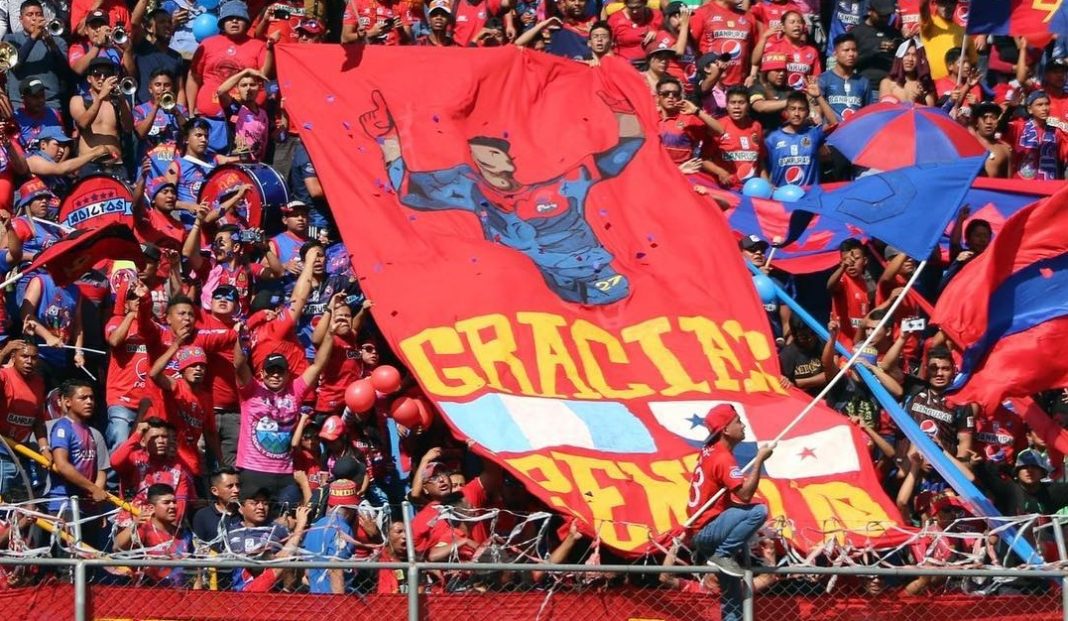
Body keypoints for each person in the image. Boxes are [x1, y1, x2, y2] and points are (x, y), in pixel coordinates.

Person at [363, 88, 643, 306]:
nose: (478, 154)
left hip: (595, 278)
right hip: (528, 292)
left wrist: (623, 111)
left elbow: (624, 152)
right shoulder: (472, 189)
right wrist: (386, 136)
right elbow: (409, 190)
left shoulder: (567, 184)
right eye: (474, 152)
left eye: (492, 151)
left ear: (509, 160)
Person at [232, 314, 334, 497]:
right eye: (271, 371)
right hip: (253, 470)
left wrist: (330, 334)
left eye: (280, 372)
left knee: (290, 514)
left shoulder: (295, 390)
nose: (275, 375)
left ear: (288, 375)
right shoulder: (251, 390)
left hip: (285, 473)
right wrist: (241, 340)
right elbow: (239, 365)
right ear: (262, 373)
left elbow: (318, 365)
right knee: (253, 515)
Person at [687, 404, 772, 621]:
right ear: (725, 429)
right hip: (708, 530)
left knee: (733, 594)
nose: (743, 426)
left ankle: (723, 558)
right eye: (738, 421)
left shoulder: (709, 450)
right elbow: (745, 495)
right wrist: (759, 460)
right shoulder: (722, 457)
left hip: (705, 530)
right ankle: (723, 554)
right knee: (759, 509)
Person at [188, 1, 272, 155]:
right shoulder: (207, 44)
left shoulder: (258, 46)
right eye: (229, 18)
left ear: (246, 22)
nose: (234, 21)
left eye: (239, 18)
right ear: (222, 22)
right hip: (209, 120)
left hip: (245, 123)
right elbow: (194, 78)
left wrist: (270, 47)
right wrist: (191, 112)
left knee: (241, 164)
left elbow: (263, 76)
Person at [148, 342, 222, 478]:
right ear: (183, 369)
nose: (198, 369)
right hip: (168, 457)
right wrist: (175, 345)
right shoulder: (174, 386)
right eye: (193, 365)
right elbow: (154, 374)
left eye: (202, 366)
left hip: (190, 461)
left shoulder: (206, 398)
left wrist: (221, 461)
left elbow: (210, 433)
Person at [302, 478, 380, 594]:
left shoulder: (316, 526)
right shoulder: (343, 529)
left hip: (314, 597)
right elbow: (335, 570)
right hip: (333, 599)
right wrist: (339, 603)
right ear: (353, 507)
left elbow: (307, 573)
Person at [109, 417, 195, 520]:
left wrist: (164, 526)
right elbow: (115, 462)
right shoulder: (134, 459)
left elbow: (180, 503)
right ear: (143, 442)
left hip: (164, 524)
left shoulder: (178, 468)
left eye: (164, 437)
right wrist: (137, 434)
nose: (161, 441)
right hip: (131, 522)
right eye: (155, 437)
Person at [112, 483, 193, 585]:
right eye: (166, 503)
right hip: (148, 592)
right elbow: (117, 547)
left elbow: (195, 570)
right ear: (151, 508)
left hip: (181, 592)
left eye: (174, 502)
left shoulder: (183, 534)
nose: (173, 506)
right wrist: (134, 524)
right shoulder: (145, 530)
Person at [905, 346, 976, 460]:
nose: (939, 373)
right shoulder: (912, 388)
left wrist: (958, 465)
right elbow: (888, 368)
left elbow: (964, 443)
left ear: (953, 371)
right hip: (907, 463)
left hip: (941, 465)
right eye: (934, 368)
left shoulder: (961, 403)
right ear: (927, 370)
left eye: (945, 369)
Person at [69, 56, 132, 180]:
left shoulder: (118, 102)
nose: (102, 78)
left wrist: (122, 101)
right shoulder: (78, 100)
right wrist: (100, 98)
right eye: (97, 74)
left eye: (106, 74)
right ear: (89, 78)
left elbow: (129, 128)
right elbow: (83, 123)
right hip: (90, 164)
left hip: (116, 165)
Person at [0, 339, 47, 497]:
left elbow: (38, 420)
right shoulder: (4, 375)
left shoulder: (38, 382)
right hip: (2, 451)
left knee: (20, 506)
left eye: (34, 358)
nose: (29, 361)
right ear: (13, 357)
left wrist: (44, 448)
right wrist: (3, 353)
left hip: (21, 454)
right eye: (24, 356)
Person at [3, 0, 69, 111]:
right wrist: (33, 37)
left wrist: (51, 43)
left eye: (39, 14)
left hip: (51, 105)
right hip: (20, 105)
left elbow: (64, 71)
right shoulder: (11, 39)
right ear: (21, 19)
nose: (35, 18)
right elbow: (15, 65)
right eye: (29, 15)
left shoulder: (57, 41)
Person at [764, 91, 829, 187]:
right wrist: (768, 185)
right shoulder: (772, 138)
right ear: (786, 112)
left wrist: (819, 96)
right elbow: (763, 167)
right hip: (782, 194)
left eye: (801, 109)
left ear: (807, 112)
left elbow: (834, 123)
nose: (797, 113)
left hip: (810, 194)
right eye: (792, 109)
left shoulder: (814, 134)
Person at [705, 85, 765, 190]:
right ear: (727, 106)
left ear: (748, 106)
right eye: (733, 103)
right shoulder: (718, 126)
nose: (737, 106)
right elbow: (703, 160)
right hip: (727, 189)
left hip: (752, 189)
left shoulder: (756, 126)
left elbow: (760, 160)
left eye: (741, 102)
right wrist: (720, 172)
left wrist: (766, 183)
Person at [688, 0, 756, 88]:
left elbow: (754, 50)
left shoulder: (748, 16)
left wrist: (752, 75)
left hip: (739, 87)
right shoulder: (701, 13)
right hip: (710, 85)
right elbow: (689, 49)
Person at [1002, 91, 1068, 181]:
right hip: (1022, 184)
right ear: (1030, 109)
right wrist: (1011, 108)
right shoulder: (1019, 127)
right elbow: (1000, 129)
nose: (1044, 108)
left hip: (1048, 184)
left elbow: (1064, 156)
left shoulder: (1056, 131)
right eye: (1039, 105)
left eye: (1047, 104)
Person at [826, 238, 874, 349]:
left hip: (860, 347)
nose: (851, 263)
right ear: (841, 262)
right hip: (842, 347)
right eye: (846, 260)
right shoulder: (843, 280)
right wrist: (843, 267)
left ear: (865, 260)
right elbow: (830, 286)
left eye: (856, 259)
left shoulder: (868, 284)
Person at [131, 7, 184, 105]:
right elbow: (134, 23)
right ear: (149, 28)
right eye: (162, 22)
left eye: (169, 22)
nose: (167, 25)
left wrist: (182, 111)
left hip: (167, 110)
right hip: (144, 109)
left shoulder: (176, 56)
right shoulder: (142, 47)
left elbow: (180, 89)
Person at [817, 33, 874, 122]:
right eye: (846, 50)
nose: (851, 54)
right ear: (835, 54)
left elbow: (869, 113)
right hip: (832, 129)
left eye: (854, 50)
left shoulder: (863, 82)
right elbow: (817, 112)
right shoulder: (824, 79)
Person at [216, 67, 269, 162]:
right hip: (237, 163)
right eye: (244, 85)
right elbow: (221, 91)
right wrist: (246, 71)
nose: (248, 88)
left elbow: (264, 141)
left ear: (259, 87)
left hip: (256, 164)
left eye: (252, 85)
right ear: (237, 89)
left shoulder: (263, 113)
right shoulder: (234, 108)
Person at [191, 466, 242, 551]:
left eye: (238, 485)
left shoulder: (245, 513)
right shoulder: (203, 516)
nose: (236, 490)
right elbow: (200, 548)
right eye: (230, 486)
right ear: (215, 491)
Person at [852, 0, 901, 85]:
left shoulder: (894, 34)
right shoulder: (856, 33)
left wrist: (895, 47)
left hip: (889, 85)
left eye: (887, 15)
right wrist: (872, 51)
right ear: (870, 11)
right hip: (864, 84)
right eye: (881, 15)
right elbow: (849, 62)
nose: (884, 19)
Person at [879, 38, 936, 106]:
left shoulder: (925, 84)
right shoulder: (887, 83)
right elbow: (884, 108)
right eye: (906, 54)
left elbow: (930, 110)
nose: (910, 59)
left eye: (914, 55)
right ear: (900, 58)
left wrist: (921, 100)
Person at [12, 77, 62, 148]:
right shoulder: (15, 121)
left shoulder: (54, 114)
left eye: (42, 95)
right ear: (23, 98)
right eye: (35, 97)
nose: (41, 100)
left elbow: (64, 144)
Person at [971, 102, 1010, 178]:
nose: (988, 122)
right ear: (976, 122)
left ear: (998, 122)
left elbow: (1009, 183)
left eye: (993, 117)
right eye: (984, 117)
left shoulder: (1005, 150)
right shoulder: (965, 145)